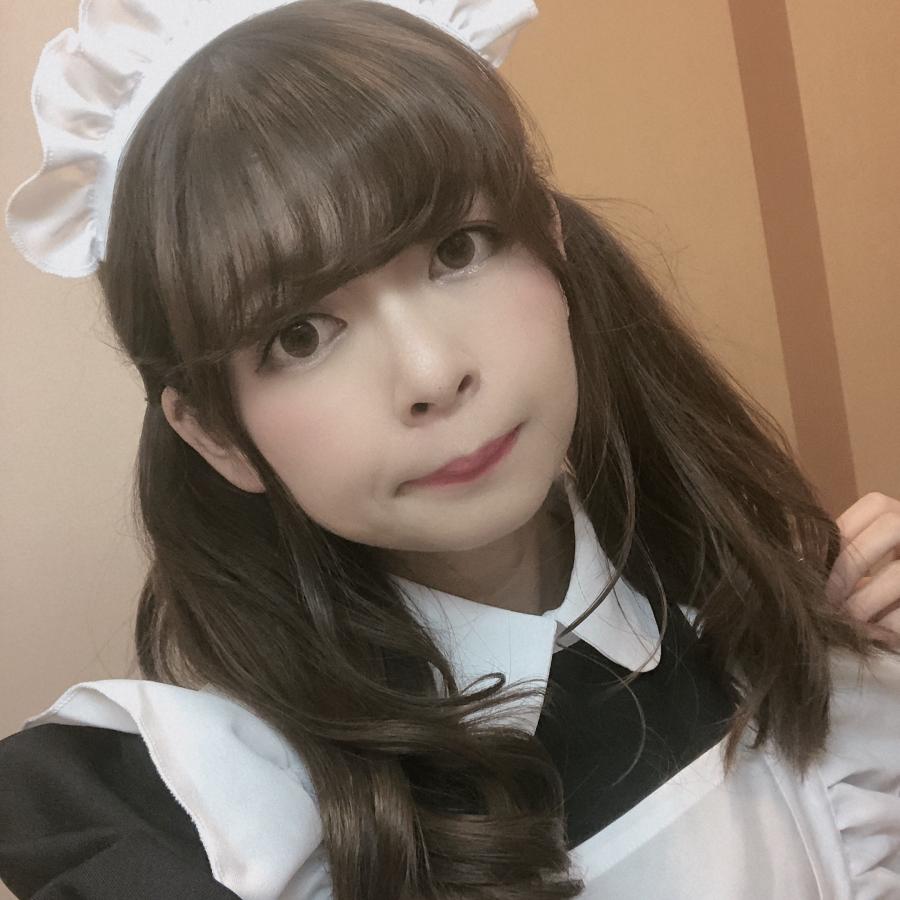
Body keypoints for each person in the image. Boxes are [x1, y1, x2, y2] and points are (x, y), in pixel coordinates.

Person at [1, 1, 898, 898]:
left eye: (459, 249)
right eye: (301, 334)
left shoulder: (761, 615)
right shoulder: (225, 817)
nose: (432, 373)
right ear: (215, 433)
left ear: (551, 242)